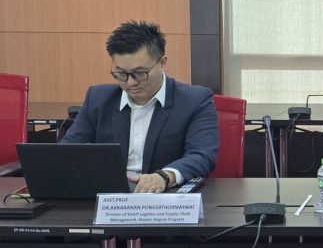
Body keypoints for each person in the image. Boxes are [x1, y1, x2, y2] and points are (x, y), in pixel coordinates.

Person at [62, 21, 218, 193]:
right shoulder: (98, 99)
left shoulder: (194, 100)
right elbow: (68, 151)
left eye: (139, 73)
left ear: (162, 63)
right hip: (107, 195)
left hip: (165, 196)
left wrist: (165, 176)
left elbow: (201, 155)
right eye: (121, 74)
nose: (130, 83)